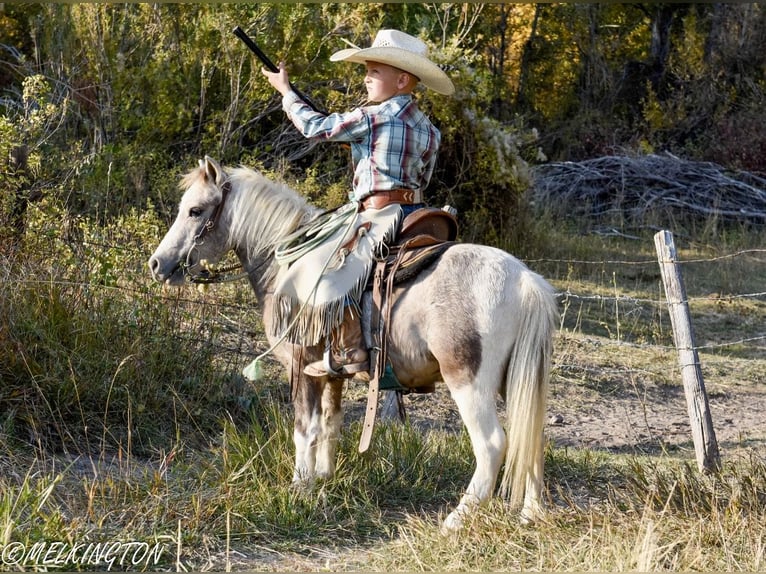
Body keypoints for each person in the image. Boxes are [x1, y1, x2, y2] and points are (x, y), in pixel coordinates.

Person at [262, 29, 454, 380]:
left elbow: (316, 127)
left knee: (331, 266)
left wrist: (287, 93)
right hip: (417, 213)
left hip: (378, 213)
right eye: (367, 69)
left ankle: (349, 347)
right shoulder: (431, 130)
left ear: (401, 80)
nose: (366, 76)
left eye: (375, 70)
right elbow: (423, 179)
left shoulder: (372, 117)